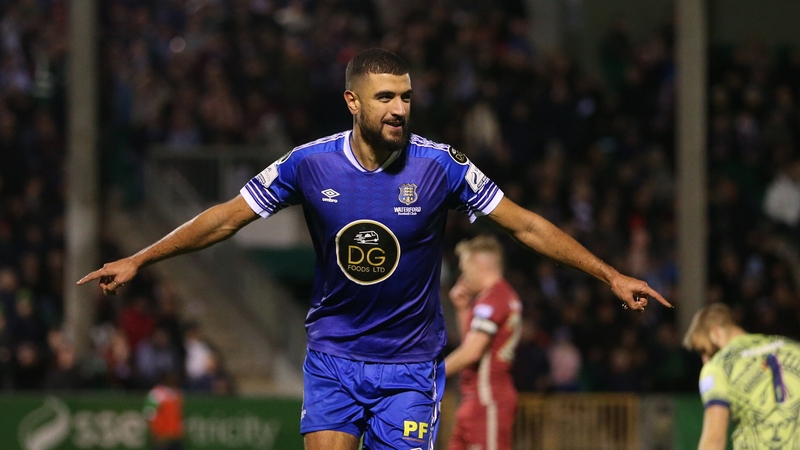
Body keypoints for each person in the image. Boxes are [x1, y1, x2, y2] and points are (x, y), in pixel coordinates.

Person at [79, 48, 671, 450]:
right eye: (385, 97)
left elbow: (527, 226)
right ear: (353, 102)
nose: (399, 109)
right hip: (333, 356)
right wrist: (141, 258)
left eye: (407, 97)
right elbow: (224, 219)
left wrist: (610, 275)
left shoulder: (442, 166)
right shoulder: (307, 164)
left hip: (410, 365)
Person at [682, 303, 800, 450]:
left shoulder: (718, 366)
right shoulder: (793, 348)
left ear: (716, 333)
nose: (705, 360)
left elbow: (714, 439)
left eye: (705, 351)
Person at [444, 235, 522, 450]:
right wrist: (462, 309)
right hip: (475, 398)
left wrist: (431, 374)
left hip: (488, 399)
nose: (463, 275)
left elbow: (472, 352)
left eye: (465, 267)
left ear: (479, 265)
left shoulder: (495, 298)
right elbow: (472, 343)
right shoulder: (495, 297)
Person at [143, 371, 184, 450]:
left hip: (176, 436)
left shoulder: (177, 393)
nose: (174, 379)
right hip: (162, 437)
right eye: (171, 377)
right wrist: (155, 435)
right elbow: (149, 415)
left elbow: (178, 414)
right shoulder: (156, 394)